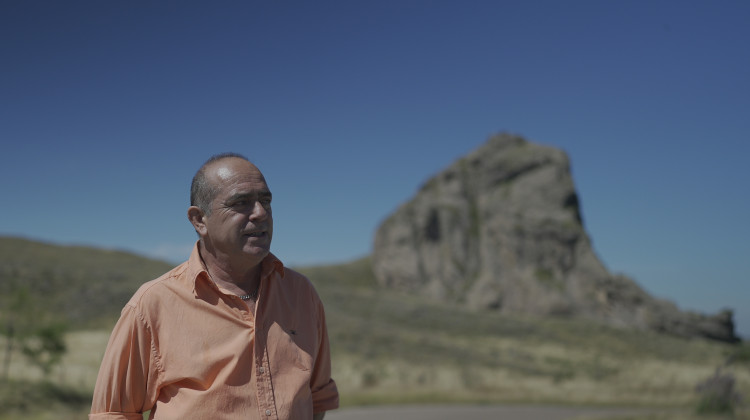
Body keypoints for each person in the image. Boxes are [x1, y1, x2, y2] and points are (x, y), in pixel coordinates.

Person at [90, 153, 339, 420]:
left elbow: (316, 398)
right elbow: (114, 413)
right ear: (199, 220)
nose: (260, 213)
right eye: (240, 203)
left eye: (265, 201)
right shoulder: (153, 305)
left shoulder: (301, 294)